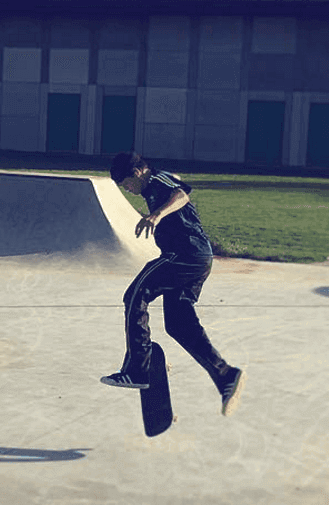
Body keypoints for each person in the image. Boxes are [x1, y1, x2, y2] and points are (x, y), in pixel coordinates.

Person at [101, 152, 245, 417]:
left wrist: (156, 215)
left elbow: (182, 195)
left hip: (184, 255)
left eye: (127, 185)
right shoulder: (155, 183)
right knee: (179, 324)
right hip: (197, 259)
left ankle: (138, 369)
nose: (129, 191)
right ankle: (225, 375)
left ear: (137, 173)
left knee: (135, 295)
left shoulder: (156, 180)